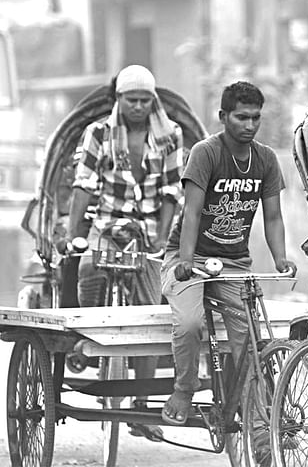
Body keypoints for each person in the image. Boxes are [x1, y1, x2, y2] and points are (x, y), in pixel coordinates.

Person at [160, 81, 296, 426]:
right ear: (223, 117)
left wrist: (281, 258)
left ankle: (259, 419)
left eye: (255, 118)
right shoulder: (206, 153)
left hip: (234, 262)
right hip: (186, 257)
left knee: (249, 336)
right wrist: (187, 261)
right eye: (241, 117)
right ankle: (184, 388)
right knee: (190, 324)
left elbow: (274, 216)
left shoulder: (264, 159)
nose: (249, 125)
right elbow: (191, 212)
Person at [68, 64, 183, 441]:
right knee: (86, 270)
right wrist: (75, 236)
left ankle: (143, 406)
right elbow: (83, 184)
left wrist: (160, 240)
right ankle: (83, 343)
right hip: (106, 227)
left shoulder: (170, 136)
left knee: (150, 316)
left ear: (153, 101)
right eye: (131, 99)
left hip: (149, 231)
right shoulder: (97, 133)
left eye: (144, 100)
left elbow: (170, 191)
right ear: (118, 99)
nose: (138, 106)